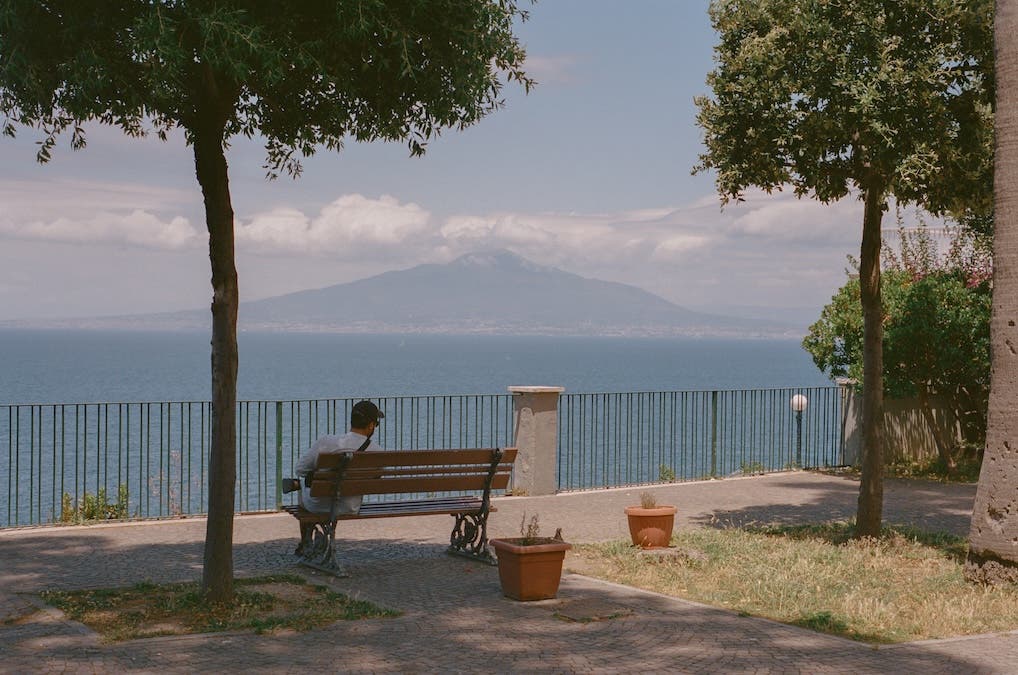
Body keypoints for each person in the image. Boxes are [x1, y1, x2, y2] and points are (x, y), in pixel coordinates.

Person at [294, 400, 385, 515]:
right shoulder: (377, 452)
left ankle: (308, 531)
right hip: (349, 508)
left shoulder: (326, 442)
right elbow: (376, 477)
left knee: (302, 485)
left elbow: (300, 469)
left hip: (316, 506)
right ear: (371, 425)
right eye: (376, 424)